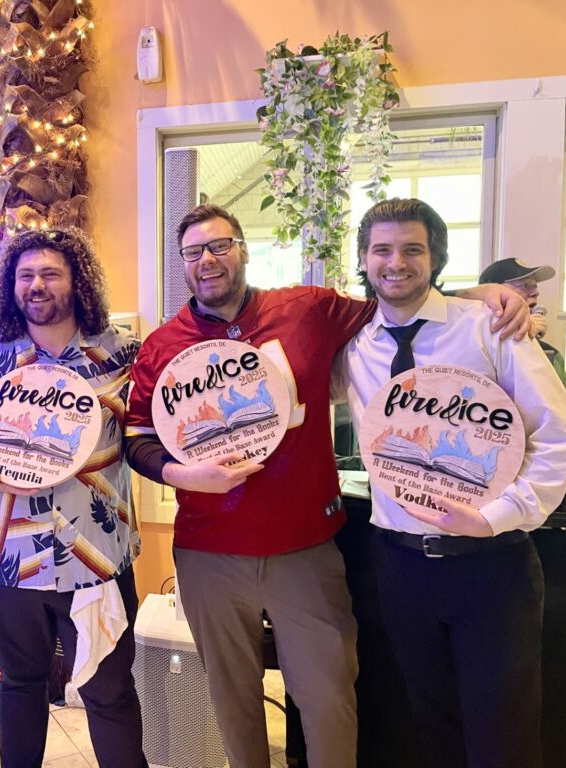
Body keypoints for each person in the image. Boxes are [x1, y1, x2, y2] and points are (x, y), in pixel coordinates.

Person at [124, 203, 530, 768]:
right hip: (208, 552)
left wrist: (480, 294)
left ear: (243, 248)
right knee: (231, 697)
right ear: (183, 265)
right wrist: (182, 475)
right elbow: (138, 438)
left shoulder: (307, 308)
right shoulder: (164, 346)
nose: (208, 260)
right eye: (194, 252)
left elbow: (397, 295)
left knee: (329, 697)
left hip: (306, 551)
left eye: (220, 245)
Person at [337, 198, 566, 768]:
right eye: (382, 250)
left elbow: (559, 436)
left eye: (412, 249)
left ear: (435, 257)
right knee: (429, 727)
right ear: (365, 261)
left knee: (504, 736)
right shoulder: (354, 343)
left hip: (491, 564)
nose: (396, 262)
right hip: (398, 566)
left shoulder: (491, 327)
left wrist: (495, 516)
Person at [0, 228, 147, 768]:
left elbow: (150, 433)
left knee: (109, 693)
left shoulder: (121, 350)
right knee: (20, 684)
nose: (36, 285)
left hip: (98, 556)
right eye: (25, 275)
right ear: (11, 284)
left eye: (50, 273)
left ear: (77, 280)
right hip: (10, 561)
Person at [479, 257, 566, 446]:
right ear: (494, 290)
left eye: (535, 285)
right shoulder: (478, 345)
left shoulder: (550, 354)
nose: (535, 292)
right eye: (525, 285)